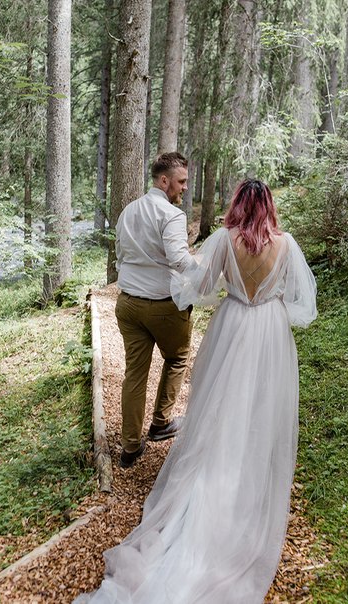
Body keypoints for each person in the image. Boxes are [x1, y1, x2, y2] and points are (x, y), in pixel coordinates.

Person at [74, 179, 318, 603]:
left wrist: (186, 286)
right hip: (271, 333)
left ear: (239, 206)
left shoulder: (225, 240)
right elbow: (302, 303)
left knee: (221, 403)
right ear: (271, 208)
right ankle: (249, 474)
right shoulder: (288, 244)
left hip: (234, 324)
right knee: (261, 405)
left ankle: (214, 474)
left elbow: (203, 288)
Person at [114, 152, 194, 468]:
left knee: (134, 373)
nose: (185, 188)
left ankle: (130, 447)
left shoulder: (128, 211)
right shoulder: (171, 215)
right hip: (161, 305)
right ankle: (161, 423)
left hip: (127, 304)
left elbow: (120, 254)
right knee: (177, 357)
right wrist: (202, 269)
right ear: (165, 181)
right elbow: (179, 259)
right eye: (182, 181)